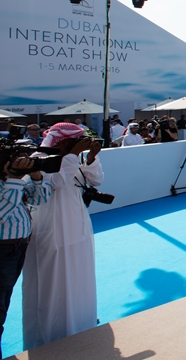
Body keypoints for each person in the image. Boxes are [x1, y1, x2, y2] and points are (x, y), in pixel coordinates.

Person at [23, 123, 104, 348]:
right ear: (63, 140)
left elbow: (96, 180)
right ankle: (50, 337)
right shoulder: (39, 158)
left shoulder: (71, 157)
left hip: (76, 227)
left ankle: (81, 323)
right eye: (77, 140)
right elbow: (55, 183)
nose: (81, 143)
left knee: (79, 276)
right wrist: (73, 155)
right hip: (52, 230)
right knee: (52, 284)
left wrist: (90, 158)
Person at [0, 153, 50, 356]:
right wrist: (14, 179)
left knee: (4, 300)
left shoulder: (11, 181)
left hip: (17, 247)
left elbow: (42, 198)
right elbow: (2, 212)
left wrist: (36, 177)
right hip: (3, 250)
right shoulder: (12, 181)